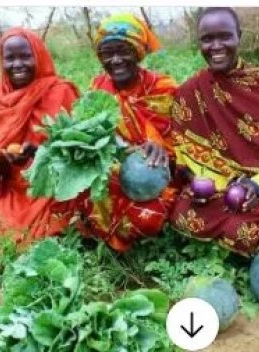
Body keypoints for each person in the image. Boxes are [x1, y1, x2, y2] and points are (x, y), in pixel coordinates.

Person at [168, 7, 259, 256]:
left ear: (239, 36)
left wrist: (256, 186)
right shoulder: (190, 91)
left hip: (255, 188)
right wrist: (198, 181)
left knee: (244, 231)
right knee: (182, 214)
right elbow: (183, 155)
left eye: (225, 36)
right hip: (211, 186)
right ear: (199, 43)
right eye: (207, 39)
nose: (216, 46)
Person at [0, 27, 81, 269]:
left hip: (54, 186)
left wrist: (40, 153)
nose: (18, 64)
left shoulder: (60, 91)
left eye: (25, 56)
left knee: (44, 247)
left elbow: (77, 151)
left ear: (39, 56)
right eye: (10, 58)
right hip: (15, 188)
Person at [83, 13, 179, 252]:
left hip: (156, 171)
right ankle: (105, 239)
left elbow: (181, 139)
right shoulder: (97, 89)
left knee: (152, 211)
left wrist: (159, 146)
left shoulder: (163, 88)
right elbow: (90, 135)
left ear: (138, 51)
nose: (115, 60)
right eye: (107, 53)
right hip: (112, 168)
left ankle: (147, 245)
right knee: (86, 195)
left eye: (123, 51)